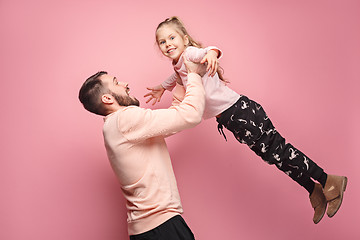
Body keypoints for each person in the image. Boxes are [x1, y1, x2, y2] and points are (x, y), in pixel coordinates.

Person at [144, 16, 348, 224]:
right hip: (232, 120)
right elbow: (176, 76)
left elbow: (208, 51)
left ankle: (328, 180)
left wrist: (213, 54)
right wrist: (163, 86)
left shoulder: (189, 54)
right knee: (273, 158)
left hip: (242, 112)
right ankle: (313, 189)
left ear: (185, 39)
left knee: (280, 151)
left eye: (172, 38)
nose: (168, 44)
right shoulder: (179, 65)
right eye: (162, 41)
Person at [78, 57, 206, 240]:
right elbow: (191, 115)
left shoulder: (115, 126)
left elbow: (173, 118)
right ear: (107, 98)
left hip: (148, 230)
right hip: (162, 228)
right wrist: (193, 75)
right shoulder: (125, 119)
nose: (125, 84)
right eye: (116, 82)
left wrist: (179, 82)